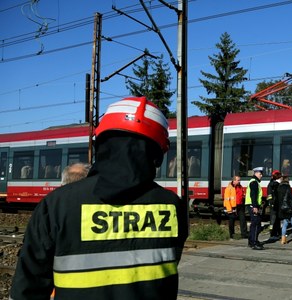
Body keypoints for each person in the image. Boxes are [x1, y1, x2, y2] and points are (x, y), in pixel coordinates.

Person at [10, 96, 189, 300]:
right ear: (158, 153)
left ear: (101, 144)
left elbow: (28, 288)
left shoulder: (56, 204)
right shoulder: (173, 206)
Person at [246, 167, 265, 250]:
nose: (261, 175)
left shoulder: (254, 182)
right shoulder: (254, 182)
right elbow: (253, 195)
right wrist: (255, 206)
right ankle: (254, 242)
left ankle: (251, 241)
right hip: (253, 205)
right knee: (256, 224)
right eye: (260, 174)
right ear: (256, 173)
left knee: (254, 223)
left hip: (251, 205)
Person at [266, 170, 282, 240]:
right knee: (274, 219)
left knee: (275, 219)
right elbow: (272, 195)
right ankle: (273, 234)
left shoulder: (271, 184)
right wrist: (272, 202)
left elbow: (269, 195)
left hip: (274, 204)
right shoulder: (275, 184)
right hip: (275, 204)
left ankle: (275, 233)